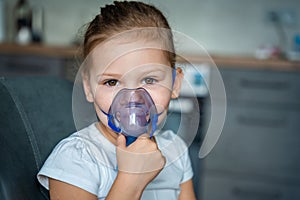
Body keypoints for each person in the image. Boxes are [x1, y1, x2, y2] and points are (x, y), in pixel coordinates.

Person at [37, 1, 196, 200]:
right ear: (89, 87)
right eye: (112, 82)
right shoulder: (76, 160)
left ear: (174, 84)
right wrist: (131, 180)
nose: (132, 99)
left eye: (149, 80)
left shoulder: (176, 149)